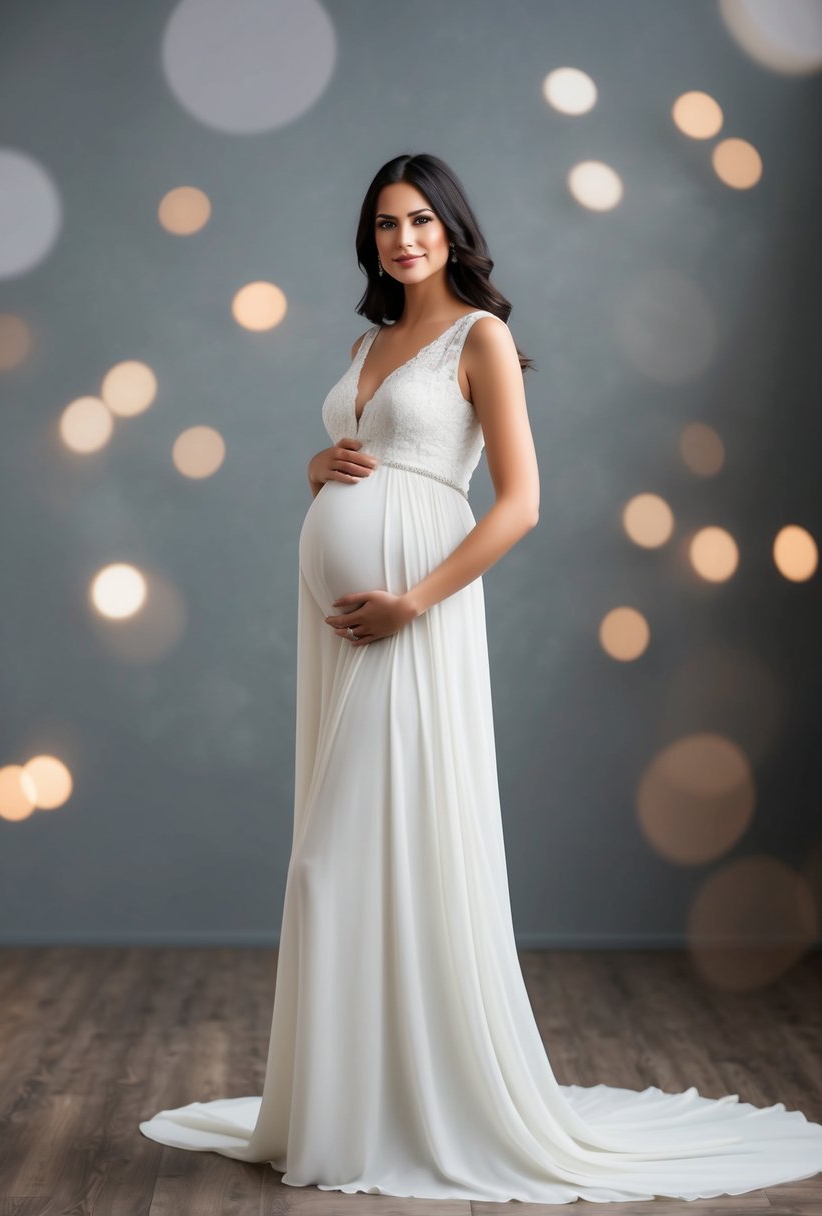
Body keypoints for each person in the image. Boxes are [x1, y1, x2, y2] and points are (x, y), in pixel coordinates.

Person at [139, 153, 822, 1203]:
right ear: (369, 241)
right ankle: (347, 1101)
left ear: (452, 230)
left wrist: (414, 598)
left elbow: (519, 502)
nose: (402, 238)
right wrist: (312, 469)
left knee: (344, 855)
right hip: (341, 622)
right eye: (384, 224)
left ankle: (402, 1105)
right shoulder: (369, 340)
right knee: (343, 851)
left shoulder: (480, 337)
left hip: (417, 612)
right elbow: (356, 451)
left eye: (420, 220)